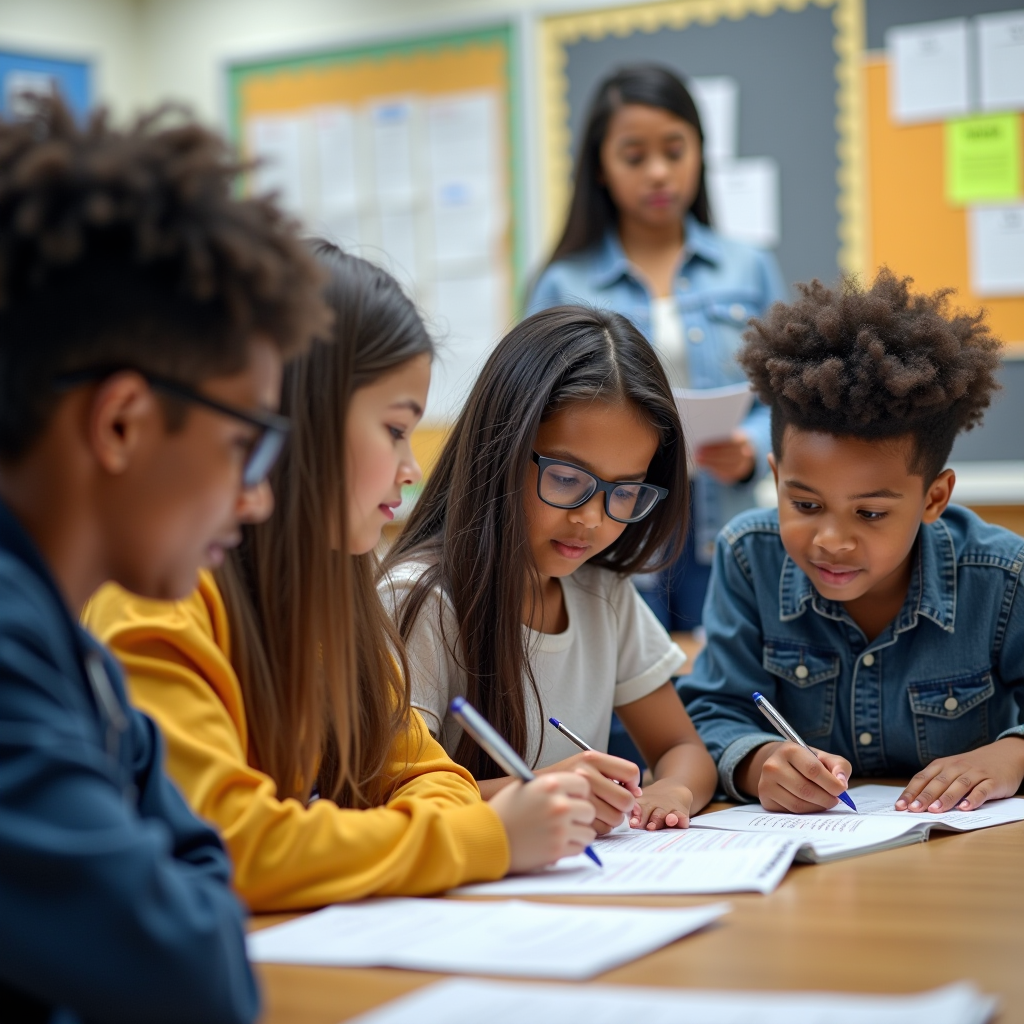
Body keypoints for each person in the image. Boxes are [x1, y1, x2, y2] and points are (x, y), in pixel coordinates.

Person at [84, 244, 596, 912]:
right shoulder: (155, 599)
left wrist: (425, 831)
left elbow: (429, 777)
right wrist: (484, 838)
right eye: (394, 430)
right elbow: (238, 844)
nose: (411, 468)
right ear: (301, 422)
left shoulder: (339, 596)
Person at [0, 99, 326, 1022]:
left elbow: (201, 895)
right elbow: (193, 968)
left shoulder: (75, 655)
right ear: (121, 423)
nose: (257, 497)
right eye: (245, 447)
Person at [679, 270, 1024, 814]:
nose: (832, 541)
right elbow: (716, 709)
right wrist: (758, 760)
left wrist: (1013, 756)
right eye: (806, 505)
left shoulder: (1001, 576)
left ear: (934, 498)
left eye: (870, 513)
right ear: (775, 478)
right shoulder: (749, 557)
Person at [383, 305, 718, 834]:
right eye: (566, 478)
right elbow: (388, 793)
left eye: (625, 491)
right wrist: (538, 791)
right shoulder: (418, 599)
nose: (591, 518)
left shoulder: (602, 594)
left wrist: (670, 789)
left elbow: (681, 748)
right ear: (501, 450)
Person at [529, 64, 787, 634]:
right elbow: (529, 415)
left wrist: (750, 444)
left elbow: (792, 401)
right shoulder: (560, 284)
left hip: (719, 517)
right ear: (600, 166)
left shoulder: (749, 269)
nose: (659, 172)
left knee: (722, 687)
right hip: (605, 517)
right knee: (618, 693)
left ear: (701, 152)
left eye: (675, 150)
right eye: (634, 155)